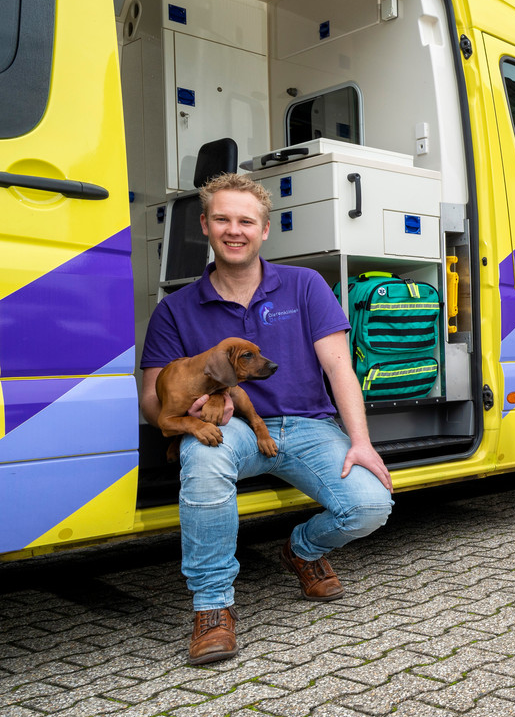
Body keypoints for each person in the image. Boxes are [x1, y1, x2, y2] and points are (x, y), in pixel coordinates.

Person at [140, 174, 393, 665]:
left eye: (246, 221)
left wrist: (360, 441)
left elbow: (340, 368)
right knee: (202, 452)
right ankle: (213, 607)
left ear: (264, 230)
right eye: (222, 220)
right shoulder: (175, 309)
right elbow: (151, 401)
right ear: (205, 226)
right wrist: (190, 412)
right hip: (234, 431)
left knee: (369, 506)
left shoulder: (304, 285)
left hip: (309, 425)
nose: (234, 230)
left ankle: (301, 549)